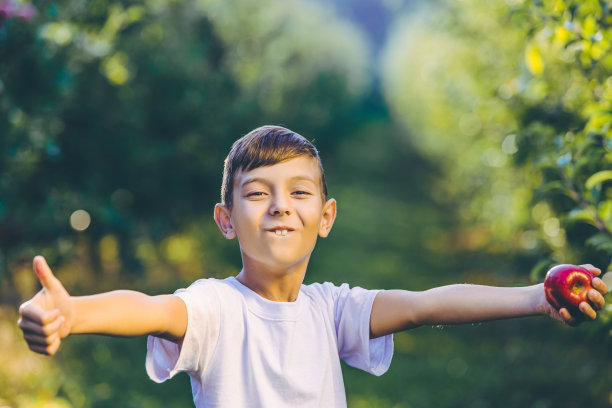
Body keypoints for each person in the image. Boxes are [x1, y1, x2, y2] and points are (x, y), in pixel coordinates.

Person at [18, 125, 608, 407]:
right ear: (226, 219)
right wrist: (74, 312)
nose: (279, 206)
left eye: (299, 193)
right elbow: (148, 309)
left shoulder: (332, 310)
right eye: (258, 193)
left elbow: (430, 303)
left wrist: (536, 297)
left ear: (325, 217)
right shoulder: (216, 309)